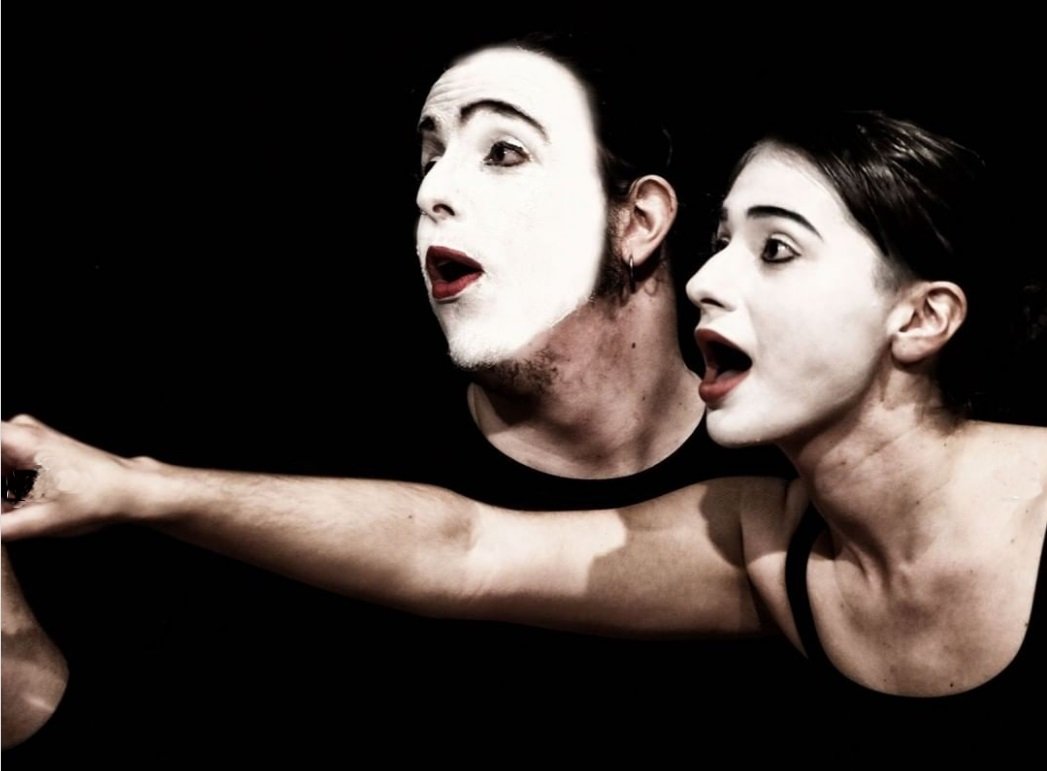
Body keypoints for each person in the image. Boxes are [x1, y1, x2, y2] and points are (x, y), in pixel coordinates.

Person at [1, 35, 794, 758]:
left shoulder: (789, 480)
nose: (432, 191)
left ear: (639, 219)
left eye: (504, 152)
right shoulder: (304, 482)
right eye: (429, 158)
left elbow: (464, 551)